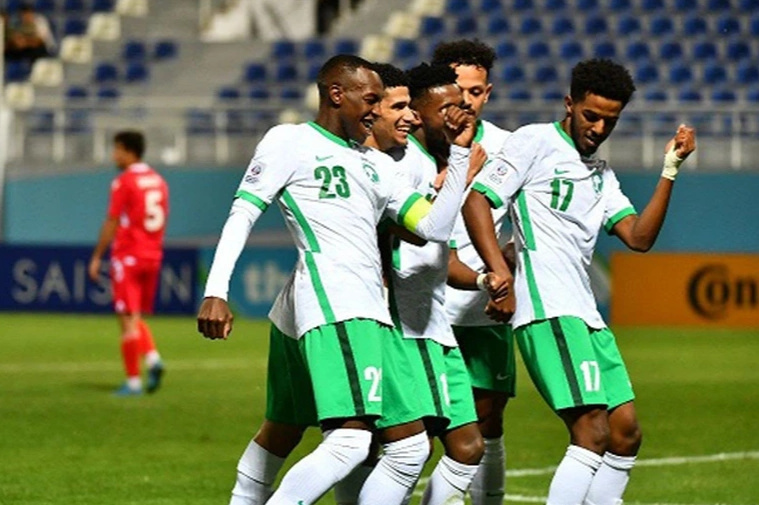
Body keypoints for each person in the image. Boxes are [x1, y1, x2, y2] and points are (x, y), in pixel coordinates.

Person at [196, 54, 474, 505]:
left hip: (356, 310)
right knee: (349, 442)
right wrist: (216, 290)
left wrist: (460, 156)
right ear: (336, 94)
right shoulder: (290, 141)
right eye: (371, 100)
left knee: (299, 429)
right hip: (337, 304)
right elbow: (244, 211)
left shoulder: (378, 165)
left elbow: (433, 228)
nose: (375, 110)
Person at [462, 58, 696, 505]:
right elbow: (477, 202)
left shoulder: (601, 173)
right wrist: (500, 273)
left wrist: (670, 169)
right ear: (570, 103)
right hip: (549, 311)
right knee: (591, 432)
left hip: (586, 316)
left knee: (625, 434)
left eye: (611, 120)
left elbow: (639, 237)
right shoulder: (535, 141)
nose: (599, 127)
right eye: (591, 115)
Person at [431, 38, 514, 505]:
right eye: (459, 91)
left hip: (483, 308)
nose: (467, 102)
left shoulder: (508, 147)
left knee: (487, 424)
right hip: (424, 308)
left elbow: (525, 224)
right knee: (414, 431)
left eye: (477, 92)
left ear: (489, 92)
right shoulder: (414, 142)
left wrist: (509, 267)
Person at [89, 131, 168, 396]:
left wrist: (97, 255)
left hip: (129, 255)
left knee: (126, 318)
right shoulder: (158, 181)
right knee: (133, 315)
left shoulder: (124, 181)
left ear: (128, 151)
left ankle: (133, 382)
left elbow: (112, 220)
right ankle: (153, 359)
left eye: (117, 150)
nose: (114, 155)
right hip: (152, 254)